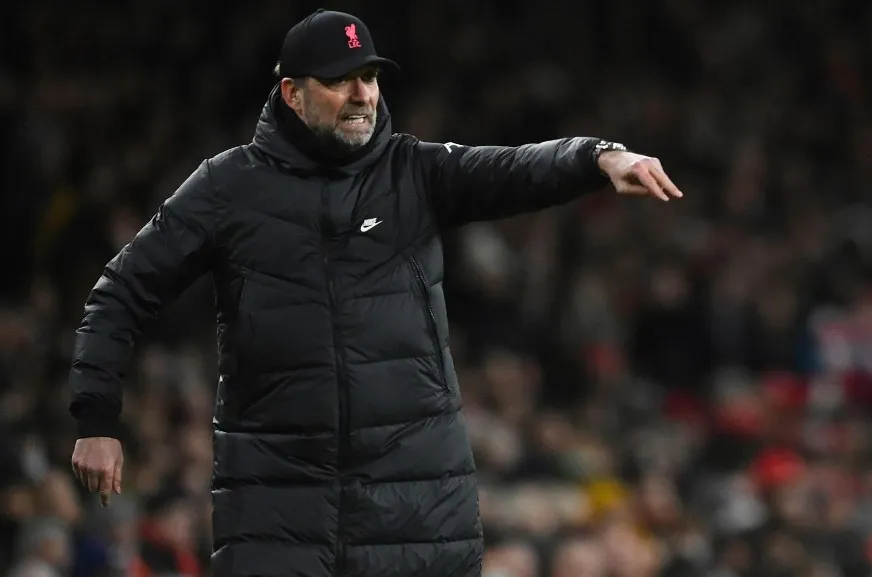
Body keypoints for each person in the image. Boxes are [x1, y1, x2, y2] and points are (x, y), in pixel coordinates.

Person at [68, 8, 683, 577]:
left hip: (418, 513)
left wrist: (599, 158)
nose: (362, 94)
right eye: (342, 81)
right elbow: (121, 292)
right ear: (292, 93)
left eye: (369, 77)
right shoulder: (229, 188)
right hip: (279, 514)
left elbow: (515, 169)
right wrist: (96, 418)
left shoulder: (414, 172)